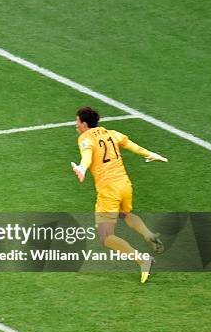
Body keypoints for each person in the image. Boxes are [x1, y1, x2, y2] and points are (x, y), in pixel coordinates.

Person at [71, 107, 167, 283]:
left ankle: (142, 260)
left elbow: (87, 155)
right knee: (125, 214)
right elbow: (133, 146)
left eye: (77, 122)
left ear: (84, 124)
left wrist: (82, 168)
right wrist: (151, 154)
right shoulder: (111, 133)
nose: (76, 125)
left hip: (108, 190)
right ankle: (148, 234)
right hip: (124, 184)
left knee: (106, 237)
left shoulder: (84, 138)